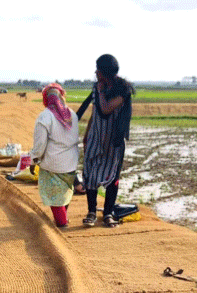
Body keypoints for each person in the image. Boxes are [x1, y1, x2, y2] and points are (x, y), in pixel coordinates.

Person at [76, 54, 133, 228]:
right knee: (90, 173)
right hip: (95, 137)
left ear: (104, 72)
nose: (95, 72)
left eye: (98, 70)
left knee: (113, 176)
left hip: (113, 141)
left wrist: (100, 91)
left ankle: (107, 213)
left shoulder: (122, 89)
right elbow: (95, 112)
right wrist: (86, 136)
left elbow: (106, 109)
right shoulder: (98, 88)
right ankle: (91, 212)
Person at [30, 83, 80, 228]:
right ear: (62, 96)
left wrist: (34, 160)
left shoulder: (45, 116)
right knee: (64, 193)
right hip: (71, 162)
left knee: (55, 197)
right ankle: (63, 218)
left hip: (52, 164)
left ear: (46, 98)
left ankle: (62, 223)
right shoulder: (73, 115)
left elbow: (39, 146)